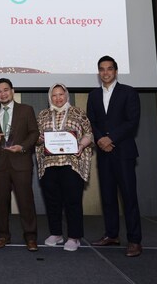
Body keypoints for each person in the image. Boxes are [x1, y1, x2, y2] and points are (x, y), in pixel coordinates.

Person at [87, 56, 142, 257]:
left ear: (116, 71)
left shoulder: (129, 92)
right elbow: (91, 122)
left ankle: (135, 240)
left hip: (123, 152)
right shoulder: (93, 95)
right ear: (98, 73)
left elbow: (132, 121)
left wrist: (110, 139)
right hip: (103, 153)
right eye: (102, 69)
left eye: (109, 69)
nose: (105, 73)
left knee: (129, 197)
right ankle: (111, 235)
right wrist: (101, 139)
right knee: (108, 197)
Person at [35, 83, 93, 252]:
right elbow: (36, 137)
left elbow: (89, 133)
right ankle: (56, 233)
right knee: (52, 201)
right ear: (49, 97)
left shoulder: (78, 112)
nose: (58, 98)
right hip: (49, 164)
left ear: (66, 95)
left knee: (72, 201)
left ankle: (74, 237)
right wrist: (38, 140)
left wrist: (81, 145)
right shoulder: (43, 115)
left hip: (71, 163)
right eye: (54, 95)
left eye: (61, 94)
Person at [0, 78, 39, 251]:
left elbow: (34, 133)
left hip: (21, 163)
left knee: (26, 202)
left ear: (12, 91)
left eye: (5, 90)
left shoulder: (26, 110)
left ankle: (31, 237)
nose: (2, 93)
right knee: (1, 202)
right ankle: (3, 236)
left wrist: (22, 147)